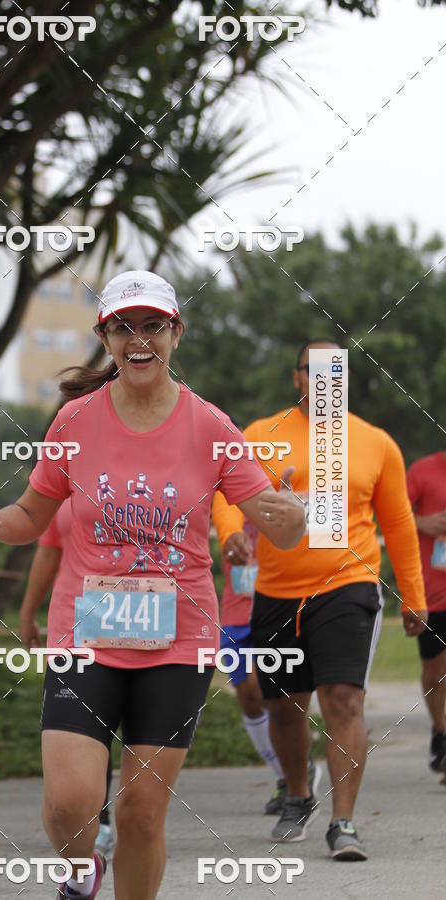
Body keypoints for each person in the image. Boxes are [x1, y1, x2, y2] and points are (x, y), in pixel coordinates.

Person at [0, 270, 306, 900]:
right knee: (69, 805)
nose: (139, 339)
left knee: (139, 814)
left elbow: (278, 520)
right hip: (87, 635)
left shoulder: (212, 428)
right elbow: (31, 519)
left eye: (153, 325)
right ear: (105, 338)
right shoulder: (74, 423)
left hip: (178, 643)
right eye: (123, 326)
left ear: (175, 333)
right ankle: (81, 872)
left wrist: (291, 516)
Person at [219, 340, 427, 861]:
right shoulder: (259, 437)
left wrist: (415, 596)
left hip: (349, 583)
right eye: (316, 372)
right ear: (298, 378)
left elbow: (399, 523)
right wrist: (231, 536)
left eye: (338, 372)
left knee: (343, 699)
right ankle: (297, 793)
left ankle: (344, 822)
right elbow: (226, 495)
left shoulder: (376, 443)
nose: (327, 381)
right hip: (275, 591)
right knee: (285, 708)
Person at [211, 496, 321, 815]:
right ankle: (287, 777)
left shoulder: (294, 479)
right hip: (237, 607)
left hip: (279, 604)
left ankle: (295, 774)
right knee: (246, 693)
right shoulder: (228, 478)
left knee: (268, 692)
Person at [20, 499, 116, 857]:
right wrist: (28, 612)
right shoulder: (60, 483)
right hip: (80, 630)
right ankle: (99, 821)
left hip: (152, 628)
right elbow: (47, 553)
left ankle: (141, 824)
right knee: (91, 732)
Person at [406, 451, 446, 774]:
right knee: (435, 668)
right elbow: (393, 513)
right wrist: (422, 522)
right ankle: (440, 728)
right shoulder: (422, 470)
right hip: (433, 589)